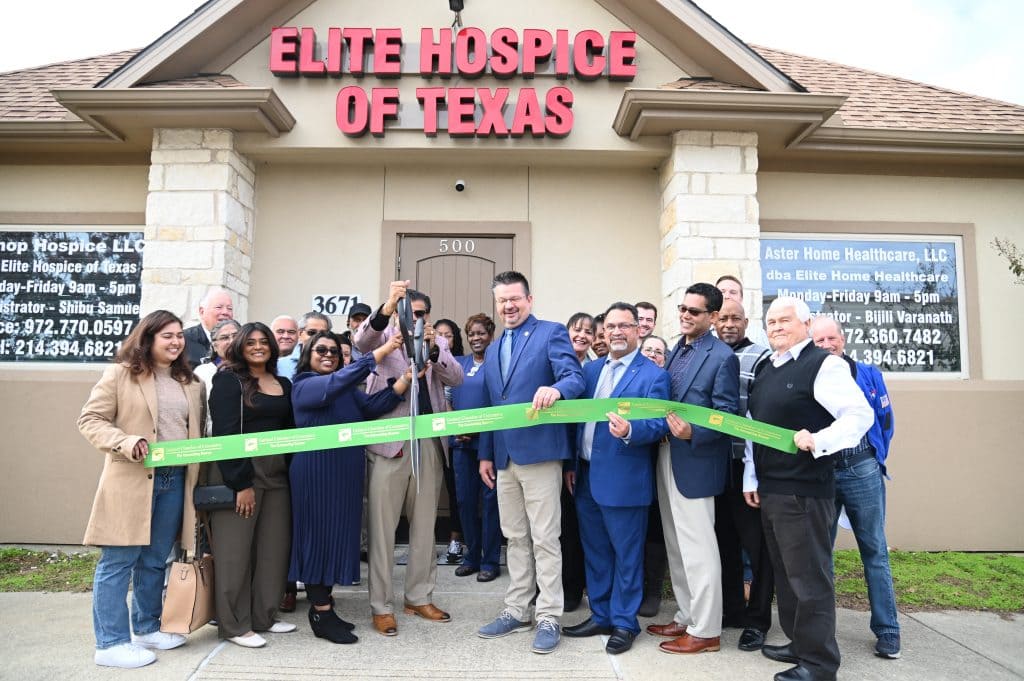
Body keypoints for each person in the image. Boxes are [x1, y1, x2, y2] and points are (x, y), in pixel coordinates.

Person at [743, 297, 872, 681]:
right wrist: (752, 478)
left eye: (785, 320)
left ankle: (818, 664)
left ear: (806, 323)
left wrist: (819, 439)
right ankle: (800, 645)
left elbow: (860, 414)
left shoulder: (824, 364)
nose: (777, 327)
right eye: (771, 322)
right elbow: (754, 427)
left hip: (805, 490)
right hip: (772, 488)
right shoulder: (767, 366)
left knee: (809, 578)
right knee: (786, 574)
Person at [78, 310, 205, 669]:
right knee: (118, 562)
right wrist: (124, 440)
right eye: (167, 335)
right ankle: (111, 643)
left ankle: (147, 627)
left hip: (174, 480)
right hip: (131, 479)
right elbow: (90, 420)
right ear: (147, 338)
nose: (176, 341)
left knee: (153, 561)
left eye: (179, 335)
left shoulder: (192, 382)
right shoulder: (121, 374)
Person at [476, 271, 585, 655]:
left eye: (514, 299)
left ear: (529, 299)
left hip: (540, 454)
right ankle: (516, 609)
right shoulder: (492, 348)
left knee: (545, 538)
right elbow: (493, 407)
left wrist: (556, 389)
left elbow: (574, 377)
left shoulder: (551, 332)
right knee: (515, 537)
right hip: (504, 457)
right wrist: (486, 453)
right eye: (502, 300)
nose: (508, 306)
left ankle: (550, 615)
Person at [354, 282, 463, 637]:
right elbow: (361, 344)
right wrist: (387, 306)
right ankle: (381, 606)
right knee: (383, 530)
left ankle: (418, 596)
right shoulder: (382, 334)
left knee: (425, 526)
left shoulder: (437, 341)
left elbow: (455, 377)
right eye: (407, 312)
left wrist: (434, 349)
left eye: (418, 314)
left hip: (428, 443)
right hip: (389, 445)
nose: (412, 319)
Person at [562, 303, 671, 655]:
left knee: (626, 555)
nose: (617, 332)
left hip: (625, 479)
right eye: (610, 326)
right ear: (603, 332)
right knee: (595, 552)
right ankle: (602, 614)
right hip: (586, 474)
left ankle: (625, 622)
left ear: (639, 330)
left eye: (625, 325)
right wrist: (570, 464)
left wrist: (630, 430)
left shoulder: (653, 375)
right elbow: (577, 419)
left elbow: (658, 424)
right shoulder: (591, 370)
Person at [289, 330, 410, 644]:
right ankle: (320, 611)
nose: (328, 354)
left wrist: (405, 380)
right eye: (321, 350)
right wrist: (382, 351)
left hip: (344, 475)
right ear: (308, 354)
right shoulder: (304, 384)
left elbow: (371, 408)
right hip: (316, 474)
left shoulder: (345, 388)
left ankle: (325, 608)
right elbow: (334, 383)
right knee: (317, 539)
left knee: (336, 538)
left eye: (334, 351)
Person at [648, 282, 739, 655]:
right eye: (683, 309)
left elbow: (728, 413)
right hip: (666, 456)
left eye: (694, 311)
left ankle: (706, 630)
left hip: (696, 460)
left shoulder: (722, 357)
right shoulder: (675, 351)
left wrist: (693, 433)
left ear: (713, 317)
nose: (685, 316)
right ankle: (686, 616)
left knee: (699, 549)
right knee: (676, 544)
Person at [810, 316, 901, 660]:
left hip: (861, 468)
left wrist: (875, 457)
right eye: (819, 340)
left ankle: (888, 630)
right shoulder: (810, 376)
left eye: (832, 338)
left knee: (874, 550)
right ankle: (822, 632)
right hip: (823, 471)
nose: (827, 344)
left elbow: (885, 421)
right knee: (822, 555)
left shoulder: (868, 374)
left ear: (843, 340)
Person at [207, 322, 297, 649]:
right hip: (240, 474)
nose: (258, 347)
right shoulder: (229, 380)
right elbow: (226, 434)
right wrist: (240, 483)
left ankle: (263, 616)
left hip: (277, 476)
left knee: (273, 550)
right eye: (251, 343)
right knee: (235, 553)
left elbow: (290, 433)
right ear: (240, 347)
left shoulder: (283, 383)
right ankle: (234, 625)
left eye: (264, 342)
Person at [713, 299, 774, 652]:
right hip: (716, 464)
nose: (729, 324)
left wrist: (755, 471)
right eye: (723, 318)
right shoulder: (710, 355)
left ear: (746, 321)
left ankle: (757, 620)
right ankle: (732, 610)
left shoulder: (761, 357)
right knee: (723, 543)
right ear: (714, 321)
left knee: (757, 547)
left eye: (736, 318)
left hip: (747, 465)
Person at [450, 313, 502, 582]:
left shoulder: (498, 364)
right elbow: (448, 399)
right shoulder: (459, 364)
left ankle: (491, 560)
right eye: (471, 333)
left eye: (481, 333)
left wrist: (479, 430)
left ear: (490, 335)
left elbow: (499, 403)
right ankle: (472, 556)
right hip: (460, 444)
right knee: (465, 501)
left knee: (490, 503)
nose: (476, 338)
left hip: (487, 443)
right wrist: (454, 427)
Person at [561, 311, 595, 611]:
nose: (581, 335)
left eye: (588, 331)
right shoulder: (554, 365)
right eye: (576, 329)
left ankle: (573, 589)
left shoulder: (595, 370)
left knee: (574, 527)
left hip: (579, 459)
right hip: (553, 454)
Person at [434, 317, 467, 564]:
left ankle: (458, 537)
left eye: (449, 334)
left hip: (462, 436)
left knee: (460, 492)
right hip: (438, 436)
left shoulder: (463, 364)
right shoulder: (429, 362)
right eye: (439, 334)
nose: (444, 339)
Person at [194, 319, 242, 434]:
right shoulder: (203, 373)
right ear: (214, 346)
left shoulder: (255, 369)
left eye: (236, 336)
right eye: (225, 338)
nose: (231, 341)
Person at [183, 287, 234, 368]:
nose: (225, 312)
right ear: (202, 311)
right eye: (219, 307)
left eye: (229, 308)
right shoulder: (184, 340)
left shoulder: (238, 341)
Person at [715, 275, 770, 349]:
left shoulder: (757, 334)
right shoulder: (703, 332)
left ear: (741, 298)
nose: (727, 296)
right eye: (722, 292)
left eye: (733, 292)